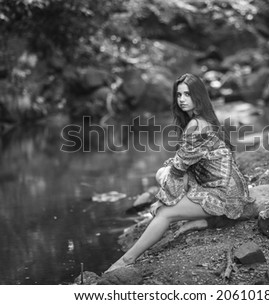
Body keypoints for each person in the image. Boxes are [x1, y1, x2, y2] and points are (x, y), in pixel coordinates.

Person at [105, 73, 253, 273]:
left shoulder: (197, 125)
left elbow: (178, 169)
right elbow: (182, 164)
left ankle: (126, 260)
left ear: (198, 97)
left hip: (224, 194)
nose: (182, 99)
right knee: (161, 172)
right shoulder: (203, 119)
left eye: (188, 95)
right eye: (179, 95)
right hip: (221, 184)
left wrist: (162, 201)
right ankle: (203, 218)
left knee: (164, 213)